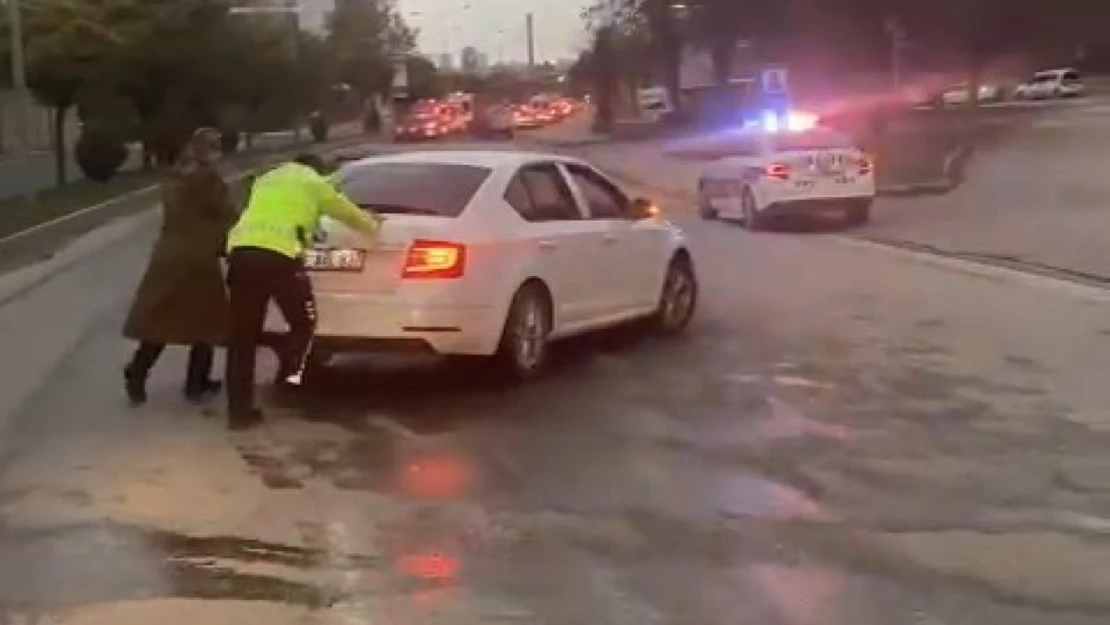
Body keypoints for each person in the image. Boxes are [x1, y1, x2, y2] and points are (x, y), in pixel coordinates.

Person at [224, 152, 382, 430]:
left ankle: (239, 412)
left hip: (241, 252)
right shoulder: (314, 182)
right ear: (316, 169)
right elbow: (346, 211)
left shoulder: (266, 179)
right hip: (280, 256)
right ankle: (288, 368)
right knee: (303, 322)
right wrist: (372, 224)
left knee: (241, 339)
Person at [122, 127, 234, 405]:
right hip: (198, 259)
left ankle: (137, 372)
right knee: (205, 323)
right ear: (209, 150)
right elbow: (226, 213)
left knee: (161, 322)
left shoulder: (176, 175)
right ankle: (196, 383)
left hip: (168, 256)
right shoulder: (208, 179)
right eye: (215, 147)